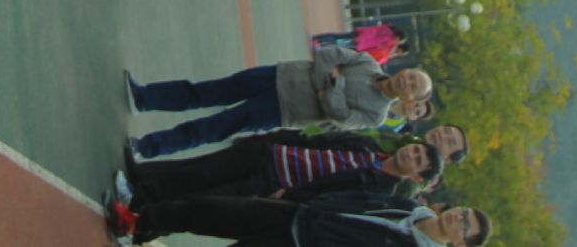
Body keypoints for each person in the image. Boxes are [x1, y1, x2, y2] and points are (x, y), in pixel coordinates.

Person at [122, 55, 432, 158]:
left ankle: (148, 147)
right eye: (411, 76)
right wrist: (326, 86)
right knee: (206, 91)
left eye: (414, 88)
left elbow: (339, 116)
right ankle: (145, 98)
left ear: (409, 100)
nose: (407, 82)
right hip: (278, 75)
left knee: (214, 127)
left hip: (282, 109)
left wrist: (333, 83)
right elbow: (326, 55)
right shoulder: (367, 62)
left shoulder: (376, 115)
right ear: (405, 70)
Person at [117, 127, 440, 206]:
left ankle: (141, 210)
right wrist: (270, 139)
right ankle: (143, 178)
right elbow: (316, 139)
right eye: (416, 150)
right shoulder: (367, 145)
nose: (411, 155)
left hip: (276, 184)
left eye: (418, 161)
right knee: (201, 170)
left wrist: (288, 197)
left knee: (206, 198)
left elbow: (331, 199)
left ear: (416, 177)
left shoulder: (380, 192)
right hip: (271, 154)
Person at [121, 192, 494, 247]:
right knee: (211, 210)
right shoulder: (409, 206)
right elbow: (356, 198)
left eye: (465, 225)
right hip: (299, 214)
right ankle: (139, 223)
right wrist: (315, 202)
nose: (459, 217)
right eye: (464, 212)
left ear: (460, 243)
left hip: (300, 245)